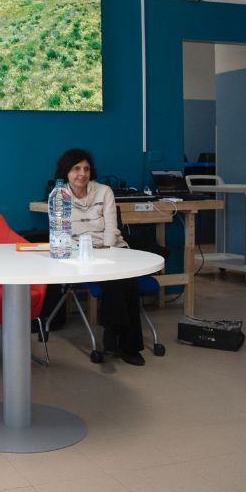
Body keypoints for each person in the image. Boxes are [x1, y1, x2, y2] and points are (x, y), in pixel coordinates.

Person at [52, 148, 147, 366]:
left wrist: (106, 250)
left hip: (112, 249)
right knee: (118, 281)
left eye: (86, 169)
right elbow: (61, 236)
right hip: (80, 254)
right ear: (66, 172)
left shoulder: (104, 192)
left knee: (126, 279)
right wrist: (85, 252)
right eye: (76, 169)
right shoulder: (58, 197)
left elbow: (111, 228)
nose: (82, 174)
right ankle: (124, 343)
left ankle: (113, 334)